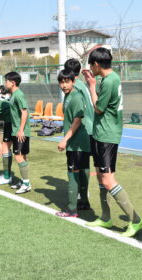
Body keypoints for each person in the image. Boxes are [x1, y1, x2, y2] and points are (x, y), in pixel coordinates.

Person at [82, 47, 142, 237]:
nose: (90, 69)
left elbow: (98, 108)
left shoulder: (109, 81)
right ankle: (106, 217)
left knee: (108, 180)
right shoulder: (109, 78)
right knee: (101, 177)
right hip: (101, 133)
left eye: (91, 65)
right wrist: (93, 82)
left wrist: (91, 86)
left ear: (96, 64)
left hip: (107, 135)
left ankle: (136, 220)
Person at [56, 69, 91, 217]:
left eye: (67, 81)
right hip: (79, 141)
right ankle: (83, 202)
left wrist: (65, 140)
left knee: (73, 173)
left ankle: (71, 209)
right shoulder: (68, 96)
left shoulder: (76, 97)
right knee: (82, 171)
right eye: (61, 82)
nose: (64, 85)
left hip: (76, 142)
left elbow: (77, 120)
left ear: (73, 81)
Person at [64, 58, 93, 210]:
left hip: (82, 129)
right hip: (88, 127)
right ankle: (83, 194)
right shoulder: (81, 84)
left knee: (79, 165)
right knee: (83, 164)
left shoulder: (76, 87)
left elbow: (78, 115)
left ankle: (83, 194)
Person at [4, 72, 32, 194]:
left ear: (13, 82)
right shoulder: (13, 94)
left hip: (20, 132)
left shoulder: (19, 95)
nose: (5, 83)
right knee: (22, 156)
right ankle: (23, 180)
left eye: (6, 81)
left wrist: (21, 130)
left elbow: (24, 112)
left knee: (18, 156)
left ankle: (26, 183)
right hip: (16, 130)